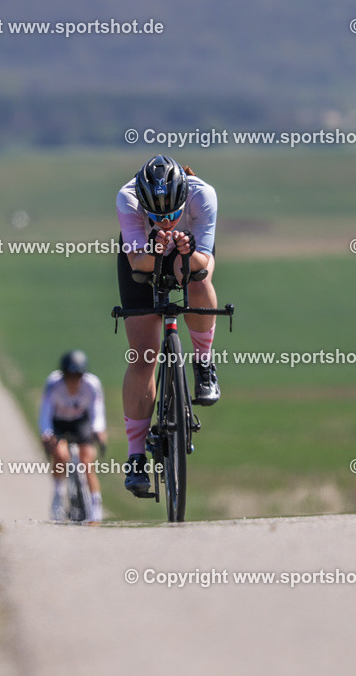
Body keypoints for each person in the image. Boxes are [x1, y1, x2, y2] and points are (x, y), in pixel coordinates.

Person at [116, 155, 220, 497]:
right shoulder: (127, 198)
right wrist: (154, 248)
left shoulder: (202, 195)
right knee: (143, 355)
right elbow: (138, 264)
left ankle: (203, 363)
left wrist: (185, 253)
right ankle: (135, 458)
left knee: (195, 278)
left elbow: (206, 265)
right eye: (155, 215)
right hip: (142, 258)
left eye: (172, 214)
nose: (164, 220)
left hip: (191, 253)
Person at [39, 350, 108, 521]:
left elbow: (97, 410)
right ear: (63, 375)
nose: (73, 380)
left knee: (87, 461)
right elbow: (45, 413)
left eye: (77, 376)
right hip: (59, 422)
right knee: (61, 455)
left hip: (80, 422)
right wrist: (47, 434)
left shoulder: (92, 384)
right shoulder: (53, 384)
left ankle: (95, 505)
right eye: (69, 376)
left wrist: (98, 430)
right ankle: (58, 493)